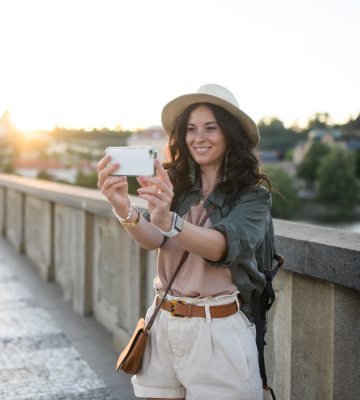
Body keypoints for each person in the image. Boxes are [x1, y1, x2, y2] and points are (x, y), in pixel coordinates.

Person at [97, 84, 272, 400]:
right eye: (191, 129)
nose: (198, 137)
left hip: (217, 331)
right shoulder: (178, 185)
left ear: (230, 134)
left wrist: (171, 222)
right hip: (163, 320)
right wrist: (124, 209)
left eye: (210, 128)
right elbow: (154, 240)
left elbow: (221, 246)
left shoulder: (253, 197)